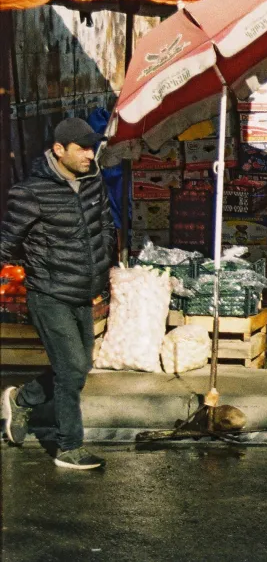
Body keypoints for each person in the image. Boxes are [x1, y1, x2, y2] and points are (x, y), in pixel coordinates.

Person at [1, 118, 117, 469]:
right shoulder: (31, 193)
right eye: (80, 148)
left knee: (79, 370)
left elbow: (105, 225)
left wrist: (103, 265)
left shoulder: (93, 180)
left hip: (84, 293)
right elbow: (6, 243)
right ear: (58, 149)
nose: (88, 154)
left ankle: (22, 400)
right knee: (71, 369)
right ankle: (69, 447)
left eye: (91, 146)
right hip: (49, 294)